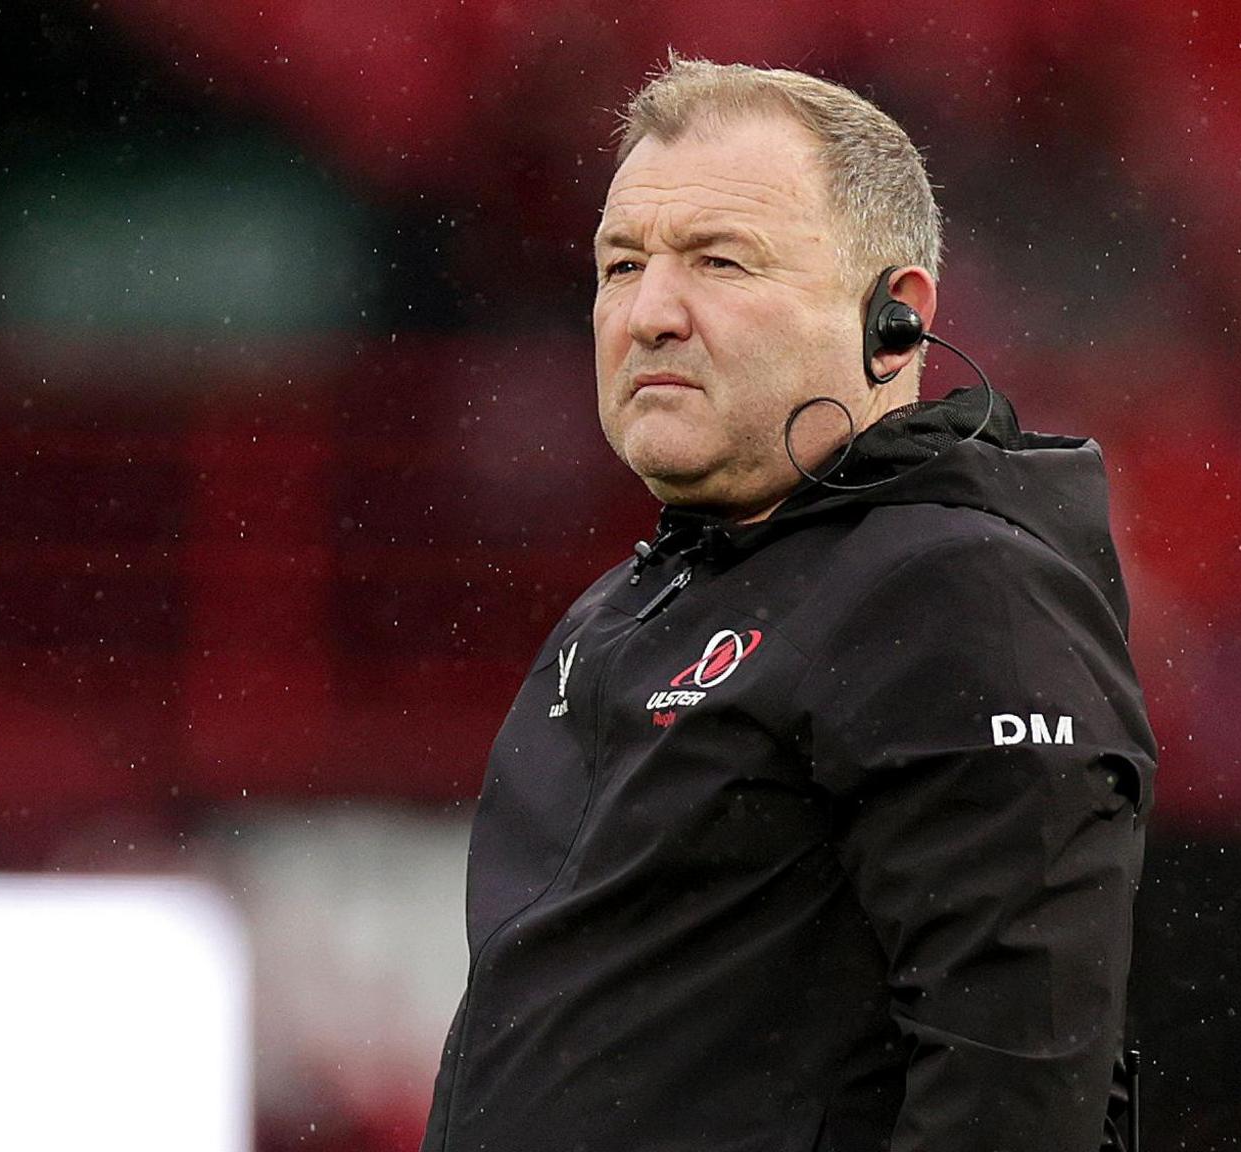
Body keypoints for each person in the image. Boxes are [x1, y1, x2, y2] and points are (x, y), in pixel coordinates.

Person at [420, 55, 1157, 1152]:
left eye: (719, 261)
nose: (649, 313)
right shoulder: (616, 611)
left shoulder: (952, 588)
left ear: (892, 319)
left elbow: (1015, 1088)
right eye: (619, 265)